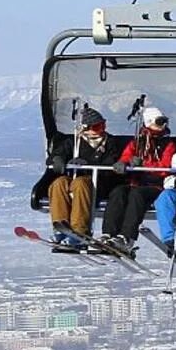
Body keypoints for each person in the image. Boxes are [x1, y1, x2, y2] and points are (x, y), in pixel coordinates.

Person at [100, 106, 176, 256]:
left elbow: (165, 167)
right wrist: (123, 164)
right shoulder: (137, 143)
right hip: (135, 182)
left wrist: (144, 165)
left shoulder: (168, 144)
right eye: (159, 122)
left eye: (164, 122)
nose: (163, 126)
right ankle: (108, 233)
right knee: (118, 192)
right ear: (148, 123)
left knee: (137, 195)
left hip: (155, 185)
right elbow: (126, 157)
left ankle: (127, 236)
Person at [46, 106, 125, 247]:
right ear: (86, 128)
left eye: (103, 125)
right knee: (59, 183)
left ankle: (80, 230)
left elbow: (110, 164)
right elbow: (56, 155)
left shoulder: (111, 143)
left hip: (99, 184)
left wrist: (87, 164)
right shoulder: (75, 142)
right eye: (97, 127)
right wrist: (58, 159)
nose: (101, 129)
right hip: (76, 181)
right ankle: (60, 225)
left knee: (80, 183)